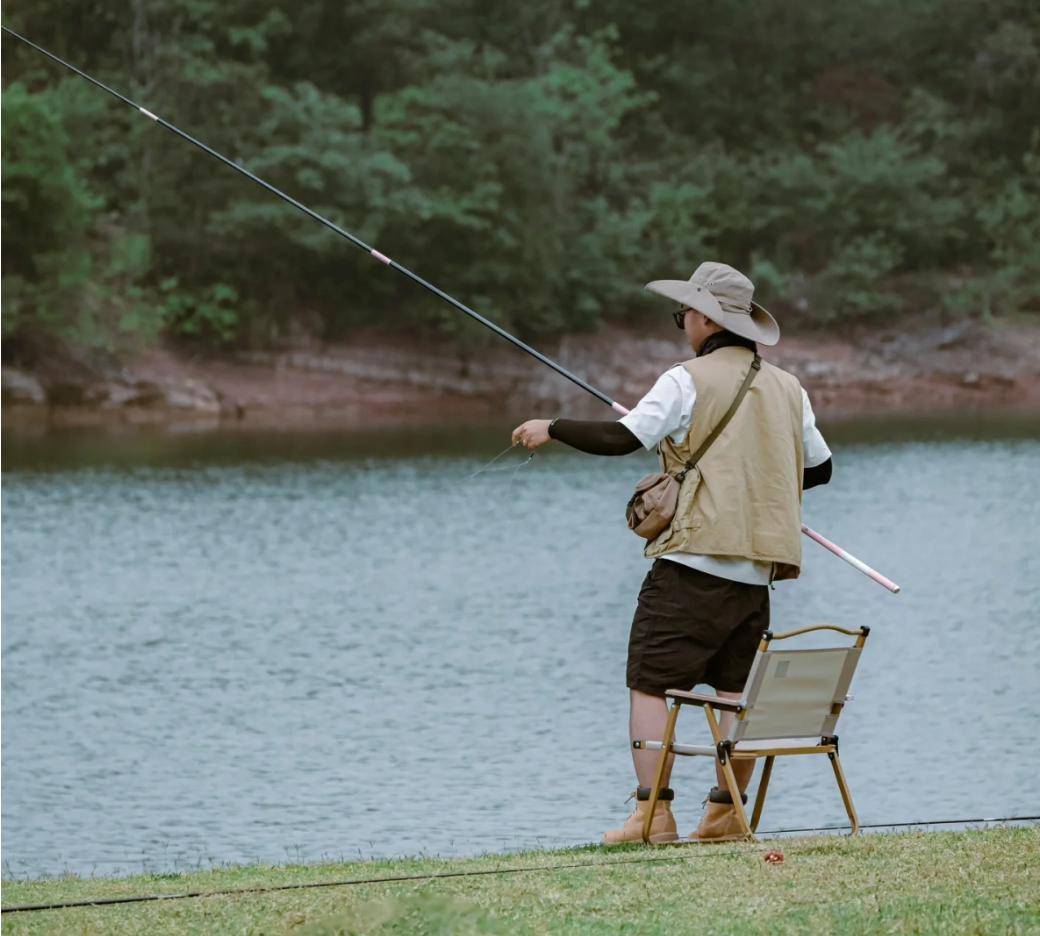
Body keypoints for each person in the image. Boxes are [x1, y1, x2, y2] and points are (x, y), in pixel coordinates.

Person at [511, 261, 832, 844]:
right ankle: (725, 814)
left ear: (706, 318)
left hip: (690, 565)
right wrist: (751, 482)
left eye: (683, 312)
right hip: (755, 576)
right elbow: (821, 469)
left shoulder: (687, 378)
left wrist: (551, 427)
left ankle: (652, 815)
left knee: (650, 681)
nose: (681, 321)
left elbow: (621, 439)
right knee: (734, 691)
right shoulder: (789, 387)